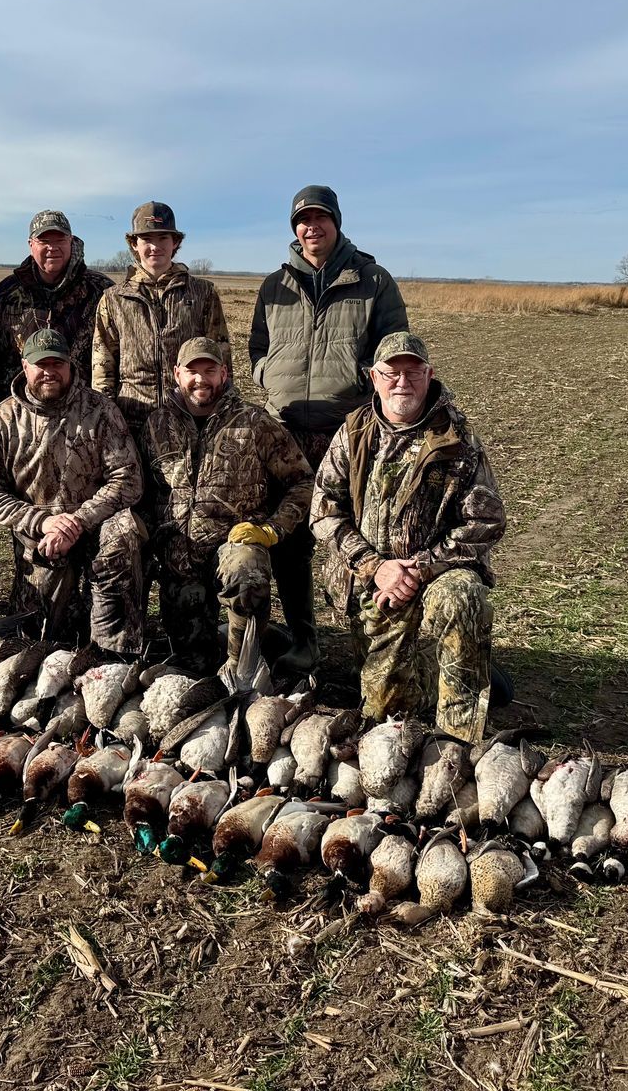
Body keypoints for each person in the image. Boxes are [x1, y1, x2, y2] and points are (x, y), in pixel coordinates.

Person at [309, 331, 506, 741]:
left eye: (413, 371)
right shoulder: (354, 432)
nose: (403, 381)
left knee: (462, 597)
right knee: (386, 709)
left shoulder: (458, 439)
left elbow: (485, 521)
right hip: (372, 580)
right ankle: (440, 664)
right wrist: (375, 566)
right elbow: (322, 508)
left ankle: (459, 737)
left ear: (429, 374)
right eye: (391, 372)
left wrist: (420, 567)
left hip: (433, 574)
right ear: (373, 377)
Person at [247, 184, 409, 675]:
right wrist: (268, 379)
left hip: (351, 432)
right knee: (290, 538)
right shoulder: (275, 285)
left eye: (319, 218)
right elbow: (257, 347)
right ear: (294, 229)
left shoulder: (373, 280)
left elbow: (393, 350)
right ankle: (304, 639)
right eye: (302, 220)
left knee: (360, 535)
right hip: (287, 430)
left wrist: (360, 385)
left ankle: (375, 645)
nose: (310, 227)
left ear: (336, 222)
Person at [140, 337, 314, 673]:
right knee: (194, 664)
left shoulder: (254, 422)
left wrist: (272, 530)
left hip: (233, 547)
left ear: (225, 373)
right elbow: (145, 491)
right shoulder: (157, 425)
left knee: (246, 569)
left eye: (210, 370)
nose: (201, 379)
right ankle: (267, 637)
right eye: (192, 371)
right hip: (181, 559)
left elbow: (303, 482)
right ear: (177, 374)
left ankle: (243, 666)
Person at [0, 328, 146, 655]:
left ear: (70, 365)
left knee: (124, 534)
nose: (50, 372)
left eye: (57, 363)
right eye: (41, 364)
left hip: (96, 525)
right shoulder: (3, 419)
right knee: (36, 639)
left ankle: (115, 653)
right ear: (25, 367)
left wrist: (78, 521)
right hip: (41, 535)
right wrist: (43, 523)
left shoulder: (100, 411)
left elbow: (128, 480)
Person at [92, 200, 229, 434]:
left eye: (163, 238)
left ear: (175, 242)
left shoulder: (203, 293)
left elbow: (221, 355)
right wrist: (106, 419)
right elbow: (103, 366)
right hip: (131, 421)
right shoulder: (113, 298)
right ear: (134, 244)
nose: (155, 247)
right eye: (146, 239)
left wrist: (222, 412)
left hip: (188, 420)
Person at [0, 209, 113, 406]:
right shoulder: (5, 295)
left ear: (71, 241)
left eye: (59, 240)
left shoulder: (101, 291)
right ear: (31, 245)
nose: (52, 247)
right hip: (20, 410)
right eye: (44, 241)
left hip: (83, 412)